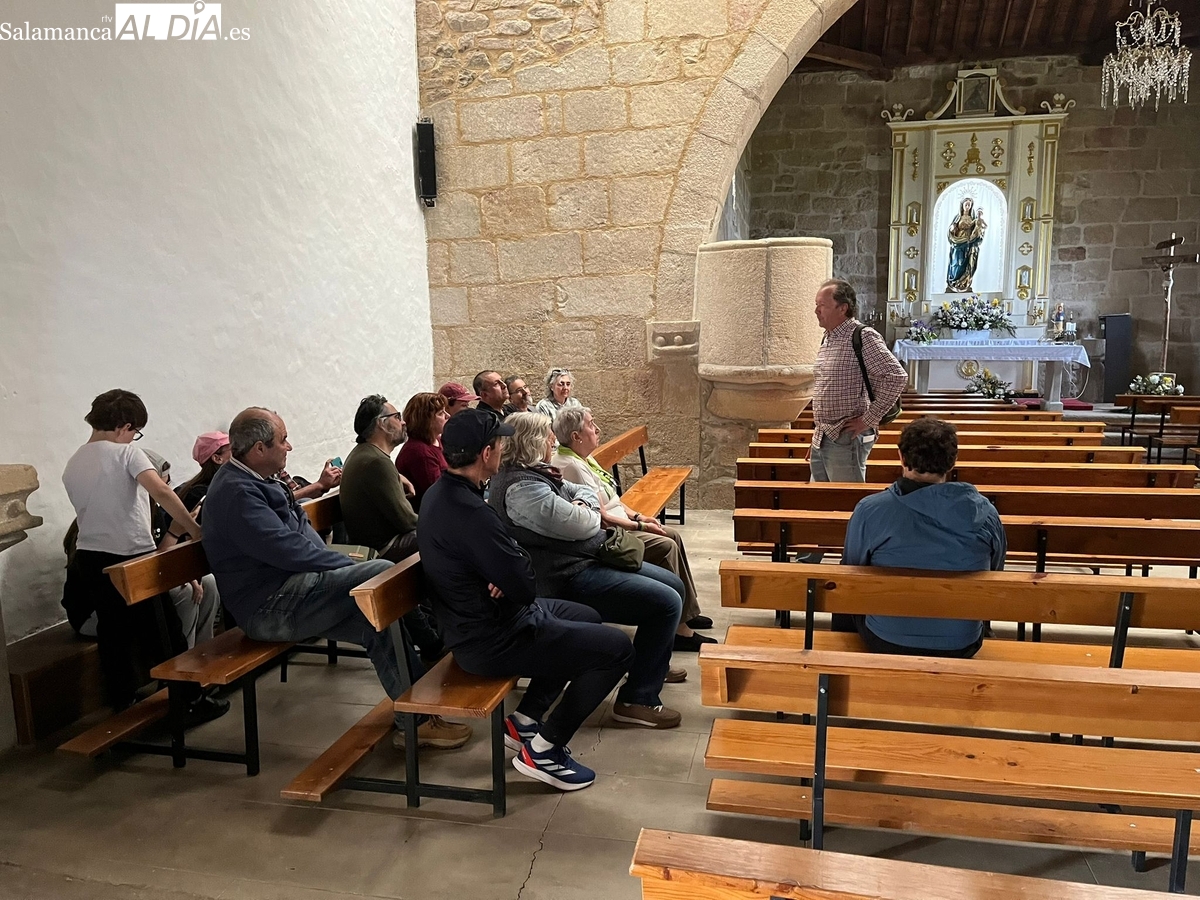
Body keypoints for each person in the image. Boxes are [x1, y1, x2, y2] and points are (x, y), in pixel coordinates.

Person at [203, 407, 470, 750]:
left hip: (291, 590)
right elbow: (288, 551)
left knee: (375, 622)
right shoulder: (237, 493)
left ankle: (416, 720)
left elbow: (302, 534)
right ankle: (432, 647)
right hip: (267, 608)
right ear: (258, 449)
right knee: (379, 572)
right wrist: (343, 566)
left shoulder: (260, 480)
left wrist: (338, 564)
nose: (289, 447)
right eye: (283, 440)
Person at [418, 408, 634, 790]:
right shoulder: (470, 512)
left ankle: (525, 720)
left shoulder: (442, 494)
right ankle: (545, 751)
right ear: (487, 453)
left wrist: (506, 568)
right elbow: (524, 585)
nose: (503, 450)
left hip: (483, 621)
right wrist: (511, 567)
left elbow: (509, 571)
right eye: (499, 444)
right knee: (617, 649)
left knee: (585, 616)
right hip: (491, 639)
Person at [489, 411, 685, 729]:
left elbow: (585, 494)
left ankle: (648, 670)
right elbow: (583, 524)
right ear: (532, 442)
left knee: (673, 585)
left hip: (580, 562)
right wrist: (586, 510)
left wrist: (584, 505)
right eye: (548, 436)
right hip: (563, 577)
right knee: (666, 602)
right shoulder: (521, 489)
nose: (553, 441)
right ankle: (637, 699)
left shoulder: (536, 473)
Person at [60, 389, 223, 721]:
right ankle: (188, 701)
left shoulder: (74, 461)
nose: (134, 437)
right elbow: (161, 490)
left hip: (91, 557)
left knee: (113, 633)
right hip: (133, 555)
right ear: (125, 426)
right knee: (166, 632)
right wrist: (193, 528)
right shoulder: (127, 454)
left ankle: (123, 701)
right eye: (135, 431)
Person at [550, 406, 715, 652]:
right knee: (665, 544)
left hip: (622, 523)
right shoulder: (570, 465)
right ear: (576, 436)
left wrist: (640, 515)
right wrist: (640, 525)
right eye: (591, 424)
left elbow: (613, 499)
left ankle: (687, 612)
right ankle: (679, 630)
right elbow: (602, 517)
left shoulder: (584, 458)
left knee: (674, 535)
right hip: (611, 534)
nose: (597, 429)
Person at [841, 418, 1006, 658]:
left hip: (887, 638)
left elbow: (852, 569)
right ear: (952, 461)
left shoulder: (871, 510)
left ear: (901, 456)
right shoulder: (985, 513)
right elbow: (995, 570)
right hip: (960, 642)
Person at [810, 279, 908, 483]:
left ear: (843, 308)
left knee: (847, 499)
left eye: (822, 305)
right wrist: (818, 440)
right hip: (823, 437)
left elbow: (897, 377)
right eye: (816, 305)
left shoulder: (862, 336)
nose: (816, 311)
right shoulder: (828, 338)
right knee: (821, 499)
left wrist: (868, 419)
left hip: (847, 437)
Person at [395, 391, 450, 510]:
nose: (448, 416)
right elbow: (440, 494)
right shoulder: (419, 452)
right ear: (426, 420)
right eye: (441, 413)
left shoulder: (437, 440)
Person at [946, 197, 986, 293]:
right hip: (958, 243)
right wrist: (953, 229)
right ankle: (954, 282)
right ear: (962, 206)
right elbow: (951, 230)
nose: (967, 207)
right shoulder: (958, 217)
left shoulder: (974, 218)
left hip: (969, 243)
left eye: (969, 205)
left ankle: (963, 283)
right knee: (956, 262)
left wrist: (979, 229)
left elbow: (979, 229)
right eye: (966, 205)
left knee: (967, 263)